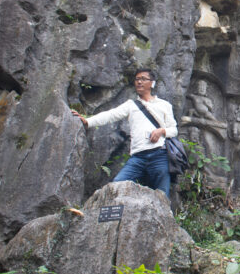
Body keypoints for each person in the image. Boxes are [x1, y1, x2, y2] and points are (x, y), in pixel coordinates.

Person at [72, 69, 177, 198]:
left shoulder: (164, 105)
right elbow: (110, 115)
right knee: (117, 185)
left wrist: (162, 131)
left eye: (143, 79)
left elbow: (174, 130)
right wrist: (87, 122)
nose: (139, 82)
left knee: (162, 193)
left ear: (152, 83)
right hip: (138, 157)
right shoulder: (131, 105)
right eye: (137, 79)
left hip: (159, 155)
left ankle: (163, 218)